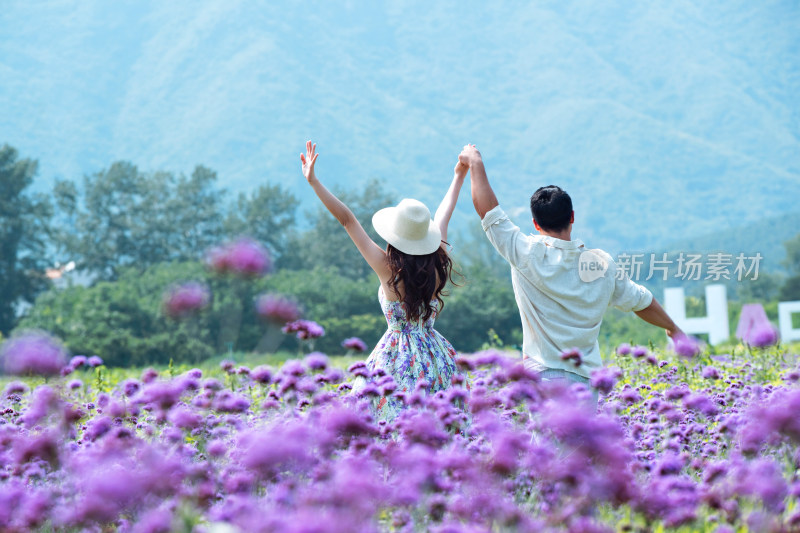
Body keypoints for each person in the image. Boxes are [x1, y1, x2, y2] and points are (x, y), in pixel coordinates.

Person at [458, 144, 683, 407]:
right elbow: (642, 301)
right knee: (581, 448)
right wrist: (673, 328)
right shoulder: (601, 264)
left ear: (536, 224)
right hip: (587, 383)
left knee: (545, 448)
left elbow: (487, 210)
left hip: (542, 377)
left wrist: (475, 162)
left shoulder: (527, 254)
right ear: (572, 217)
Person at [300, 141, 466, 420]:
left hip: (395, 358)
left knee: (387, 425)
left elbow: (348, 221)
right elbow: (444, 214)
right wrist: (459, 176)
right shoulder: (437, 266)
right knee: (439, 425)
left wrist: (314, 182)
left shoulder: (388, 270)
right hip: (437, 357)